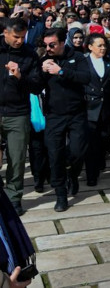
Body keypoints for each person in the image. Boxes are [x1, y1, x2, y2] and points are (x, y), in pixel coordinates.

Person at [40, 27, 92, 212]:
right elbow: (34, 86)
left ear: (62, 43)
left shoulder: (77, 57)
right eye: (46, 45)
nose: (49, 48)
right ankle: (61, 194)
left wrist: (61, 72)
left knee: (78, 151)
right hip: (54, 115)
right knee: (55, 154)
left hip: (76, 113)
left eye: (52, 44)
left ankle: (73, 174)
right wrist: (42, 72)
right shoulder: (45, 60)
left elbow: (86, 77)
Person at [0, 18, 43, 216]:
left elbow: (36, 86)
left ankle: (14, 197)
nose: (19, 41)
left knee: (16, 158)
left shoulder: (29, 54)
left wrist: (19, 77)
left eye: (23, 37)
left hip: (17, 112)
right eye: (16, 37)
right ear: (6, 33)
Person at [82, 33, 110, 186]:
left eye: (104, 45)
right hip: (89, 108)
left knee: (104, 139)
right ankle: (92, 174)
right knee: (92, 143)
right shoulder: (83, 62)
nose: (103, 48)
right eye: (99, 45)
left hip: (107, 109)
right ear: (90, 47)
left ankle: (100, 161)